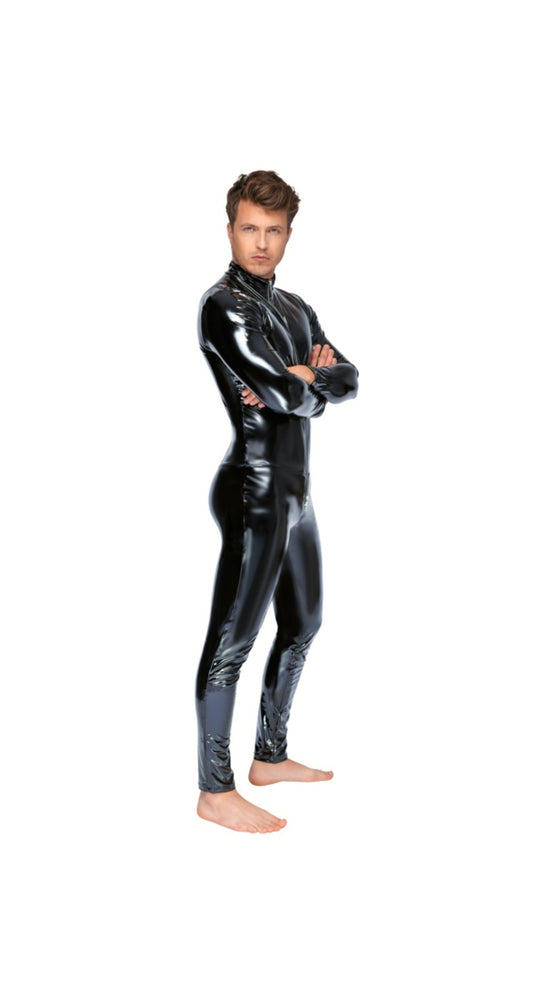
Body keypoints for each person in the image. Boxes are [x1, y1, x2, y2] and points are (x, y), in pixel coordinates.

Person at [195, 170, 358, 833]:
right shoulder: (222, 305)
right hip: (253, 486)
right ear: (230, 230)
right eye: (249, 228)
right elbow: (287, 394)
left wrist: (305, 376)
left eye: (273, 230)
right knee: (231, 642)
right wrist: (305, 383)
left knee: (304, 623)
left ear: (288, 234)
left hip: (296, 490)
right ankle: (214, 789)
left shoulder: (295, 307)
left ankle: (269, 755)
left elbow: (348, 378)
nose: (260, 243)